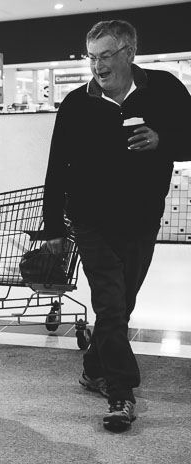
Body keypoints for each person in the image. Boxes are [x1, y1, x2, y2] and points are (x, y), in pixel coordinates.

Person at [42, 19, 191, 432]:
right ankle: (121, 394)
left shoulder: (164, 89)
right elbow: (57, 168)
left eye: (105, 56)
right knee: (110, 303)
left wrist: (165, 141)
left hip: (142, 220)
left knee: (121, 305)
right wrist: (53, 225)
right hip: (90, 222)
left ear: (129, 53)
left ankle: (93, 367)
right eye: (91, 57)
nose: (97, 65)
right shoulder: (75, 103)